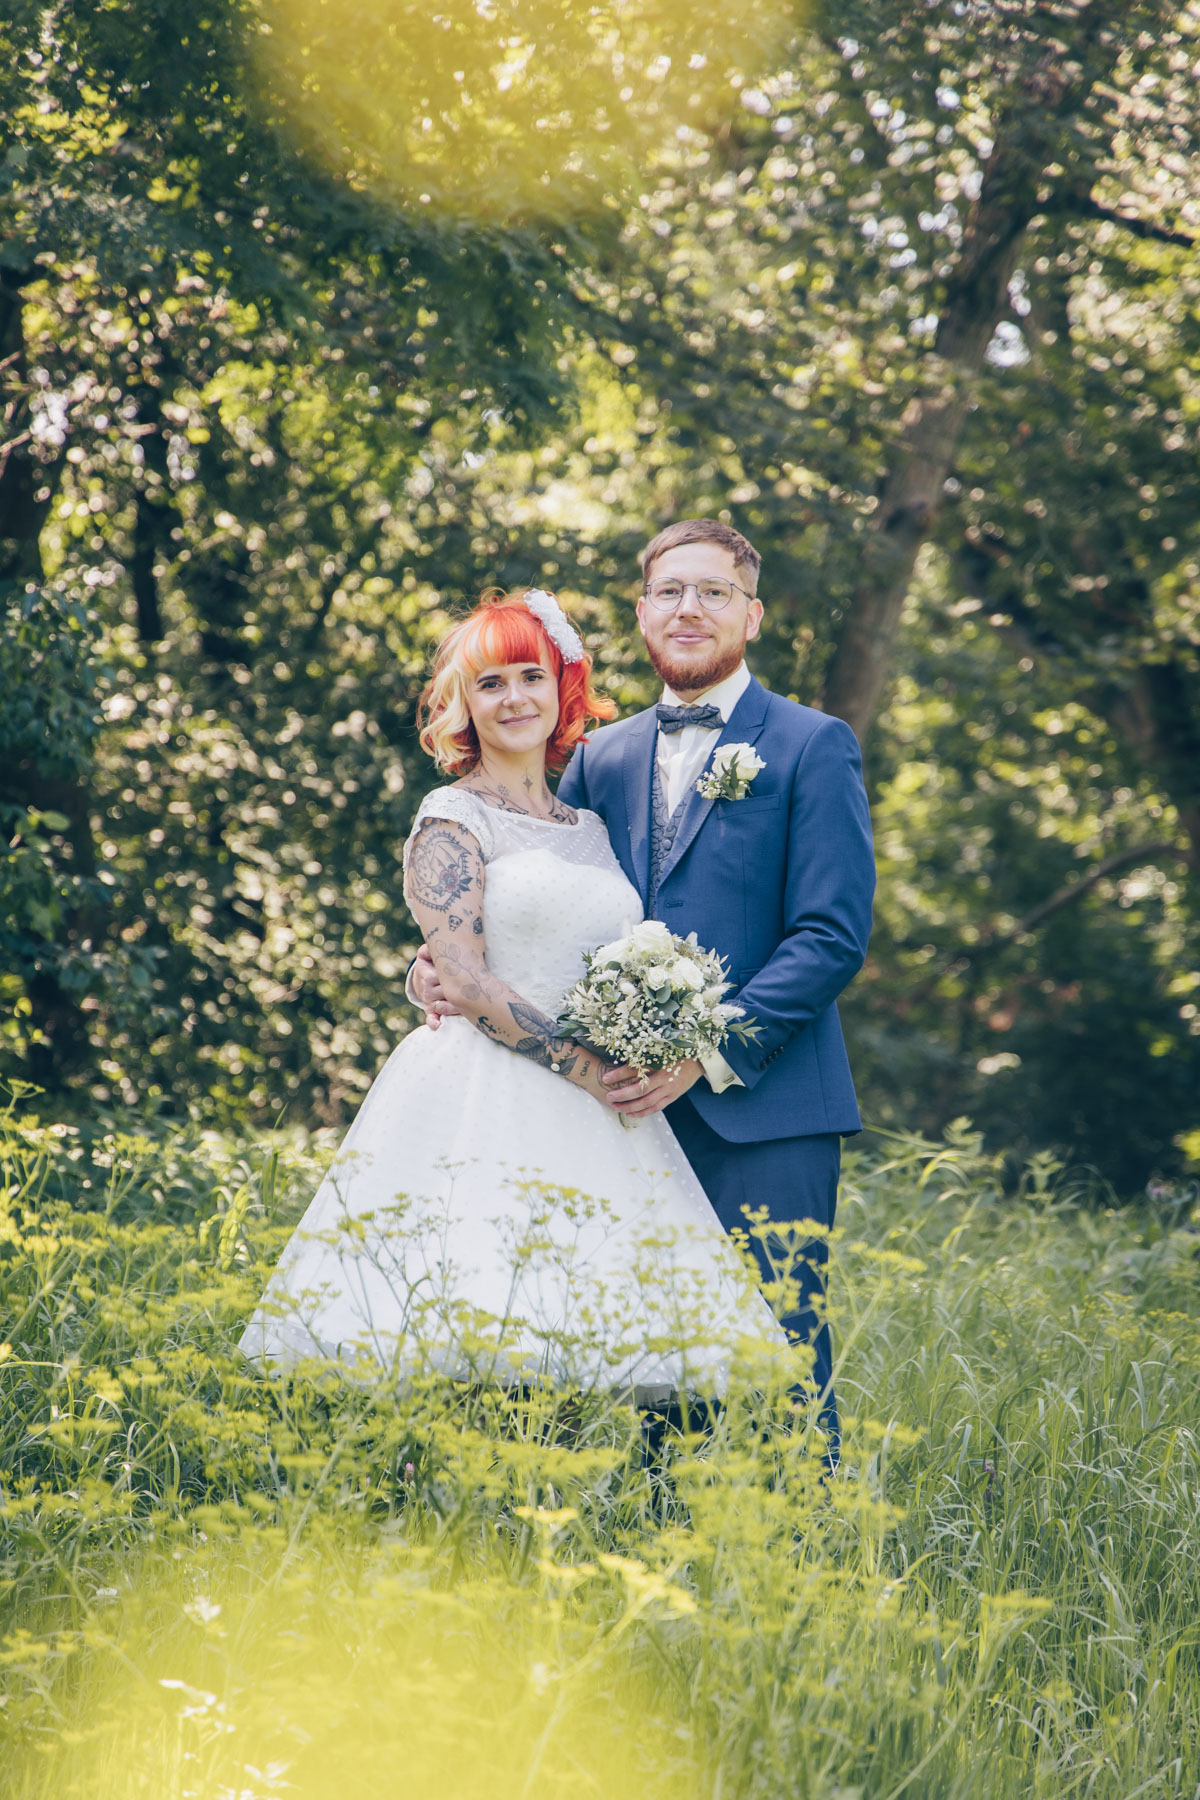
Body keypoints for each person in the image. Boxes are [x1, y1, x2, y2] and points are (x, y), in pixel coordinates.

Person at [238, 586, 784, 1402]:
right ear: (463, 705)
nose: (514, 697)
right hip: (484, 1090)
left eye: (530, 676)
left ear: (561, 688)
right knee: (471, 1318)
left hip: (600, 1116)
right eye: (490, 683)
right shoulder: (451, 815)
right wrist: (584, 1067)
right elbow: (460, 974)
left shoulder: (589, 827)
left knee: (581, 1340)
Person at [411, 522, 875, 1457]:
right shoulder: (600, 757)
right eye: (670, 591)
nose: (689, 609)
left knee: (781, 1358)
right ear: (642, 611)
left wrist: (704, 1054)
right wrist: (436, 968)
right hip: (613, 1119)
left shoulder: (811, 744)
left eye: (713, 591)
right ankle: (661, 1542)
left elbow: (830, 936)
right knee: (649, 1374)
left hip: (763, 1110)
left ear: (752, 614)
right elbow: (540, 903)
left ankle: (816, 1541)